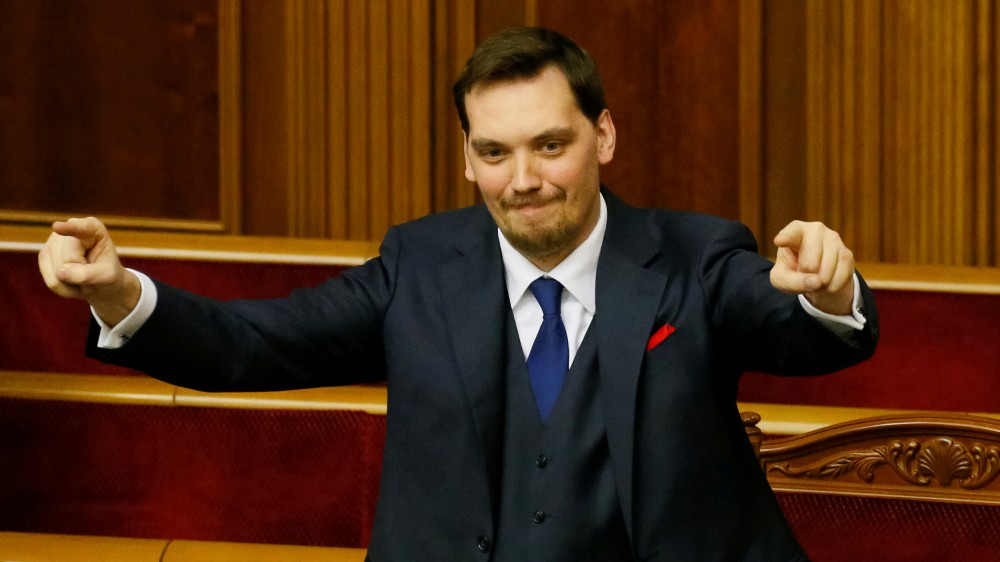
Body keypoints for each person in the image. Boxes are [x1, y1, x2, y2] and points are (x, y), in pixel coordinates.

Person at [39, 27, 877, 561]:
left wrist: (829, 290)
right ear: (467, 158)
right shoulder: (419, 266)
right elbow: (249, 345)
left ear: (604, 136)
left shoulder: (696, 256)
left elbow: (797, 325)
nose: (525, 180)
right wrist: (118, 292)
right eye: (496, 153)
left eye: (550, 145)